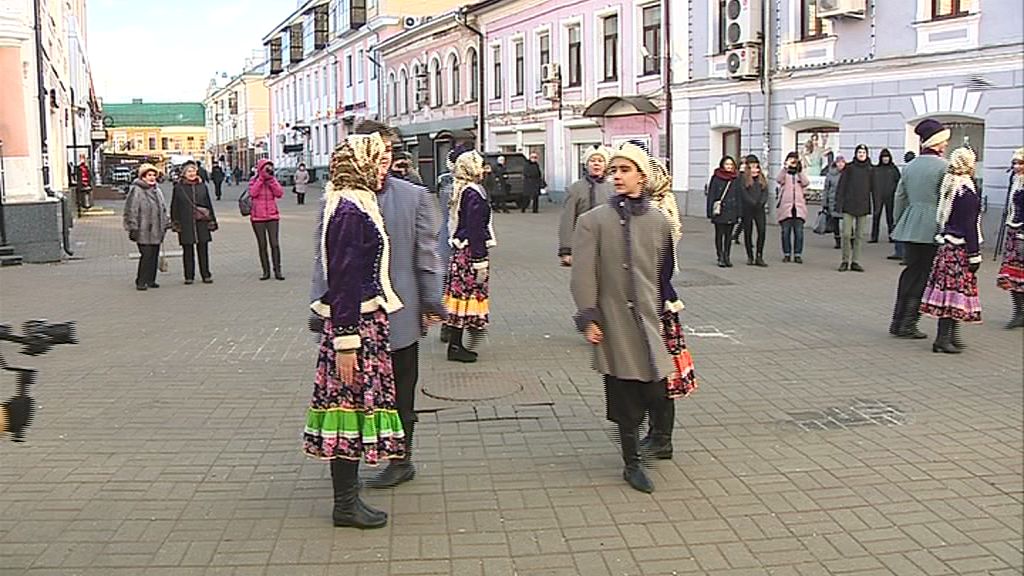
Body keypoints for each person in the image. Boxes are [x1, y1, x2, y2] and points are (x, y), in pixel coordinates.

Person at [570, 142, 684, 494]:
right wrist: (589, 316)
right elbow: (583, 275)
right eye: (614, 170)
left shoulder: (658, 221)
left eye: (625, 170)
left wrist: (669, 308)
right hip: (614, 321)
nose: (617, 176)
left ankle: (660, 441)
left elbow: (664, 273)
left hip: (652, 320)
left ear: (641, 176)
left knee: (657, 387)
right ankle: (631, 462)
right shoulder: (592, 222)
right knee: (623, 394)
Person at [304, 132, 405, 529]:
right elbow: (343, 279)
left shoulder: (356, 203)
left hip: (364, 323)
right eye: (378, 162)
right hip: (355, 326)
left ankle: (349, 499)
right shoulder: (349, 211)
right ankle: (345, 504)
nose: (385, 169)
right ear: (361, 165)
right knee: (347, 407)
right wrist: (347, 341)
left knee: (356, 408)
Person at [889, 118, 950, 338]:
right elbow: (947, 200)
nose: (945, 146)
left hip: (910, 224)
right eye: (943, 142)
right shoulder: (945, 167)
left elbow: (900, 198)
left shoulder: (910, 166)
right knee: (923, 276)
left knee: (909, 273)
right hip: (932, 226)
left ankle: (897, 321)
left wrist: (899, 222)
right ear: (937, 143)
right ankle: (908, 324)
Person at [920, 147, 983, 353]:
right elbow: (970, 225)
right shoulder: (967, 191)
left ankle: (946, 338)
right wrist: (974, 254)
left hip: (947, 246)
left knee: (948, 293)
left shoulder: (951, 186)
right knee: (954, 294)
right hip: (959, 248)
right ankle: (943, 339)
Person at [443, 151, 495, 363]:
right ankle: (455, 346)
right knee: (464, 298)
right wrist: (480, 259)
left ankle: (457, 343)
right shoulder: (472, 193)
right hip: (469, 252)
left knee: (461, 298)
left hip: (463, 251)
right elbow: (475, 228)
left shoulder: (465, 189)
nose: (484, 169)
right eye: (481, 165)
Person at [558, 145, 613, 266]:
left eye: (600, 161)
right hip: (583, 244)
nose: (596, 164)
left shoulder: (613, 189)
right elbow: (567, 221)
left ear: (606, 165)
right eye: (592, 161)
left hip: (609, 245)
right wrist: (566, 250)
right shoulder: (575, 189)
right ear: (586, 164)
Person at [123, 163, 171, 291]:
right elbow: (131, 209)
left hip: (156, 228)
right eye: (149, 175)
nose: (152, 178)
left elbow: (163, 208)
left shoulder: (157, 190)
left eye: (153, 175)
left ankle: (151, 280)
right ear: (143, 176)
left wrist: (166, 222)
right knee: (146, 254)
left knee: (154, 254)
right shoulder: (137, 190)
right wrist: (132, 226)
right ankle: (141, 280)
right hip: (142, 229)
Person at [170, 160, 217, 284]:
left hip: (201, 222)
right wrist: (176, 222)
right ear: (184, 173)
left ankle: (206, 274)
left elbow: (208, 204)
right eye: (189, 171)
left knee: (203, 249)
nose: (192, 173)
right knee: (188, 250)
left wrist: (212, 220)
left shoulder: (202, 186)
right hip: (186, 222)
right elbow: (174, 206)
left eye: (194, 171)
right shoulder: (179, 187)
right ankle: (189, 276)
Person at [996, 148, 1024, 328]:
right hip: (1014, 231)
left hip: (1022, 232)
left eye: (1020, 163)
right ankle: (1019, 312)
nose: (1016, 166)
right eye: (1014, 163)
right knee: (1012, 276)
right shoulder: (1015, 181)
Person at [836, 144, 873, 272]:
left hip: (863, 206)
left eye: (863, 152)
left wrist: (875, 204)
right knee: (846, 234)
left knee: (859, 235)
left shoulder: (870, 169)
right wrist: (839, 203)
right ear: (856, 154)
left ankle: (855, 261)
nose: (861, 154)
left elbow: (874, 189)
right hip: (849, 205)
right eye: (859, 152)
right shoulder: (849, 168)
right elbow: (842, 186)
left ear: (867, 154)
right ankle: (845, 260)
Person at [249, 159, 285, 281]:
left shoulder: (272, 180)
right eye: (265, 168)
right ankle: (266, 271)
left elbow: (279, 193)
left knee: (274, 244)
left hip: (272, 216)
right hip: (257, 217)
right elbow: (253, 193)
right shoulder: (254, 180)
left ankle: (278, 270)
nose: (268, 170)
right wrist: (261, 179)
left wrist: (271, 181)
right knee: (262, 244)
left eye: (270, 168)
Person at [706, 156, 741, 267]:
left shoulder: (736, 178)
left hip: (732, 210)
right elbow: (711, 195)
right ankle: (720, 256)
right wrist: (710, 211)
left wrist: (739, 212)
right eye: (727, 164)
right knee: (719, 234)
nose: (729, 167)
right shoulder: (716, 178)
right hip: (720, 210)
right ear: (722, 165)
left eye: (731, 165)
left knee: (728, 235)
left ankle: (727, 256)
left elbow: (739, 195)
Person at [776, 152, 810, 263]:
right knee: (785, 232)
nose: (793, 162)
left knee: (799, 232)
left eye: (795, 160)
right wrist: (785, 168)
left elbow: (806, 182)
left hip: (799, 207)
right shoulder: (785, 174)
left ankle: (797, 254)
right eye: (791, 160)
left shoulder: (799, 173)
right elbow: (778, 179)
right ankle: (786, 253)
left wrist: (799, 171)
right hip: (786, 207)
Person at [739, 154, 769, 267]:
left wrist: (761, 202)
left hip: (759, 209)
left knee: (761, 231)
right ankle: (750, 256)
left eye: (756, 166)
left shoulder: (761, 178)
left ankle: (759, 256)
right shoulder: (743, 178)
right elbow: (743, 193)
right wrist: (751, 202)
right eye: (752, 167)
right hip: (748, 209)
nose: (755, 169)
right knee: (748, 232)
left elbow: (765, 191)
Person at [871, 149, 900, 244]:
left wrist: (895, 191)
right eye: (884, 157)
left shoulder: (893, 169)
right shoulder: (876, 169)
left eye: (887, 157)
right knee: (876, 215)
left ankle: (891, 236)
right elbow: (871, 182)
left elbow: (899, 182)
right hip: (877, 195)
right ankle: (874, 237)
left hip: (890, 195)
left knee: (890, 217)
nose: (885, 159)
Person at [822, 156, 846, 250]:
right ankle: (838, 241)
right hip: (833, 201)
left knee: (847, 222)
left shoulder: (847, 174)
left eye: (842, 162)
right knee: (835, 222)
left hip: (845, 201)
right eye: (839, 162)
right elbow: (826, 189)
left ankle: (850, 241)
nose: (840, 164)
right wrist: (825, 203)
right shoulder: (830, 175)